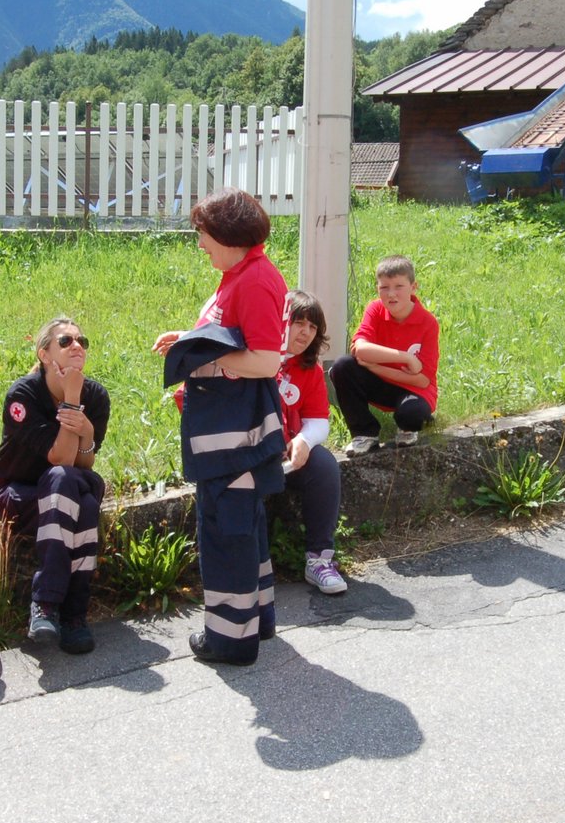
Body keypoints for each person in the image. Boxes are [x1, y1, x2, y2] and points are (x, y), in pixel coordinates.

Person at [153, 187, 287, 667]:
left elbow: (266, 360)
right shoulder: (241, 272)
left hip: (236, 432)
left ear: (227, 233)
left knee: (225, 528)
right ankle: (258, 618)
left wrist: (202, 356)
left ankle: (230, 640)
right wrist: (189, 341)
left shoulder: (252, 280)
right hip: (229, 429)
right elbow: (230, 338)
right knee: (241, 523)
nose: (200, 243)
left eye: (203, 233)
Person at [0, 317, 111, 654]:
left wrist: (86, 432)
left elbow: (83, 463)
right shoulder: (24, 394)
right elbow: (59, 459)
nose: (77, 346)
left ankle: (56, 609)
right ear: (44, 354)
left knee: (72, 490)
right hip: (20, 493)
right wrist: (71, 399)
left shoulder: (97, 396)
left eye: (81, 341)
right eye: (66, 341)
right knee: (74, 494)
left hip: (65, 489)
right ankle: (62, 610)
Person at [329, 254, 441, 457]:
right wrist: (406, 358)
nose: (391, 294)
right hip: (382, 384)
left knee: (412, 414)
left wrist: (374, 366)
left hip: (414, 389)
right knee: (342, 366)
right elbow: (359, 349)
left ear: (413, 287)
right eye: (384, 287)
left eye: (399, 286)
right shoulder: (375, 309)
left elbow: (423, 380)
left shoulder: (428, 323)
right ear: (377, 289)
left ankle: (412, 426)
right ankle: (364, 433)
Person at [276, 290, 348, 595]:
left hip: (287, 456)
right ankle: (251, 567)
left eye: (313, 326)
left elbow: (319, 419)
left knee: (324, 465)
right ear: (281, 322)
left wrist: (304, 440)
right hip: (252, 455)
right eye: (299, 322)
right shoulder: (255, 358)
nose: (305, 332)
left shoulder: (310, 368)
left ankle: (319, 560)